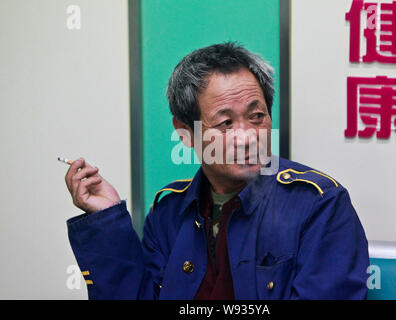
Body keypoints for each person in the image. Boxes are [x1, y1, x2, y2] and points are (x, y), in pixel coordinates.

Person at [65, 42, 369, 300]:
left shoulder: (320, 205)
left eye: (257, 117)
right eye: (225, 123)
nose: (247, 136)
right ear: (185, 133)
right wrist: (106, 221)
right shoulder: (169, 211)